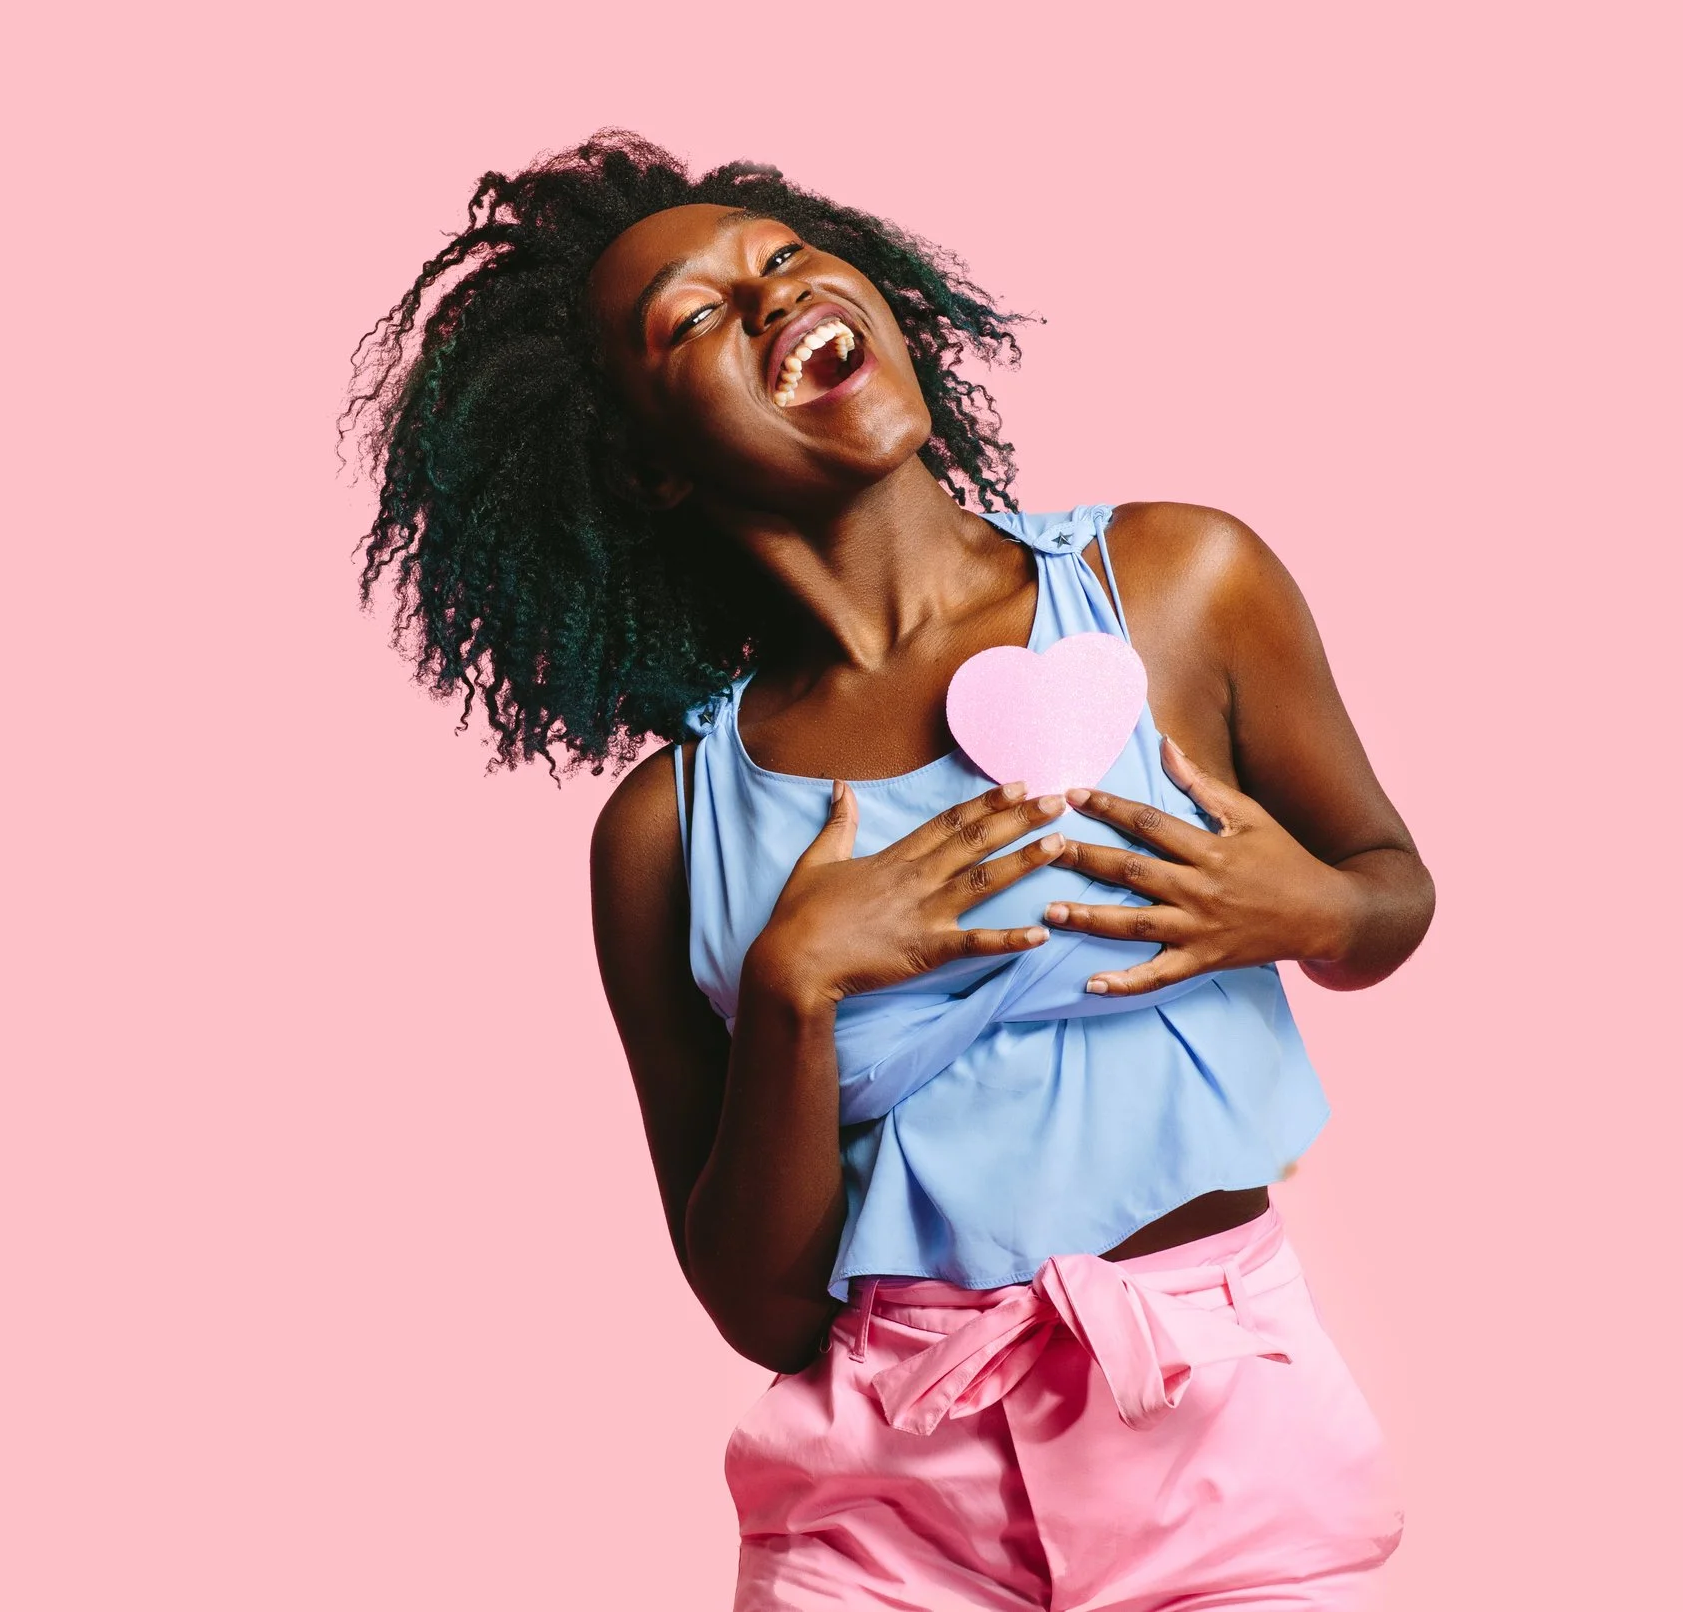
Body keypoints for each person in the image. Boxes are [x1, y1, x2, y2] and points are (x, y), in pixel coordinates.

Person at [345, 130, 1433, 1609]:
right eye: (696, 318)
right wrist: (796, 985)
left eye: (782, 259)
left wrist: (1305, 906)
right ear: (649, 470)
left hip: (1229, 1444)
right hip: (883, 1515)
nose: (769, 294)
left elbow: (1388, 890)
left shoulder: (1183, 584)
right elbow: (760, 1304)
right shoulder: (668, 837)